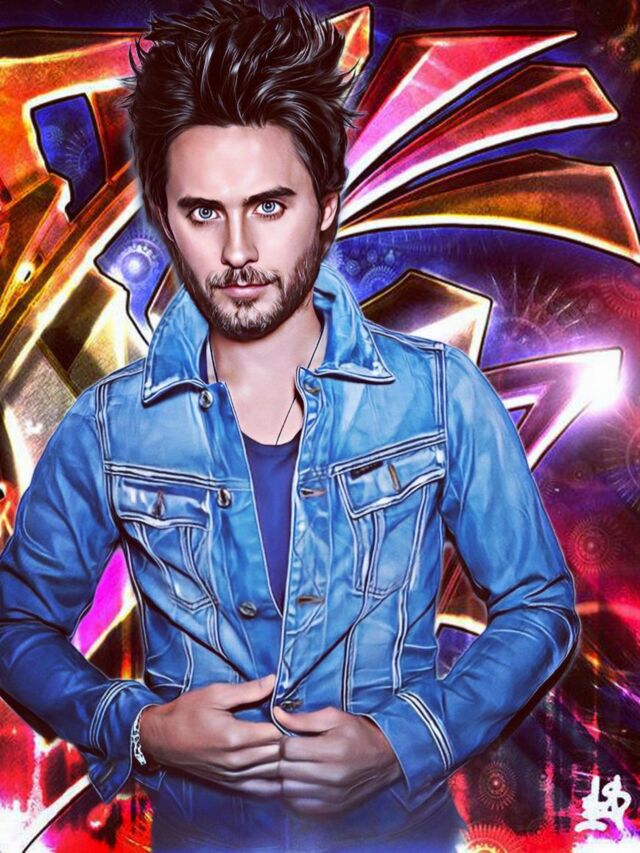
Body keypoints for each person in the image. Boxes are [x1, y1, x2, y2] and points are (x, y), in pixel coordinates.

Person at [0, 1, 581, 850]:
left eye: (269, 207)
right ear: (164, 216)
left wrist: (400, 742)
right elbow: (16, 625)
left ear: (327, 206)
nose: (238, 250)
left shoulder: (439, 397)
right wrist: (141, 728)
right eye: (204, 212)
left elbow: (539, 604)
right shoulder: (110, 427)